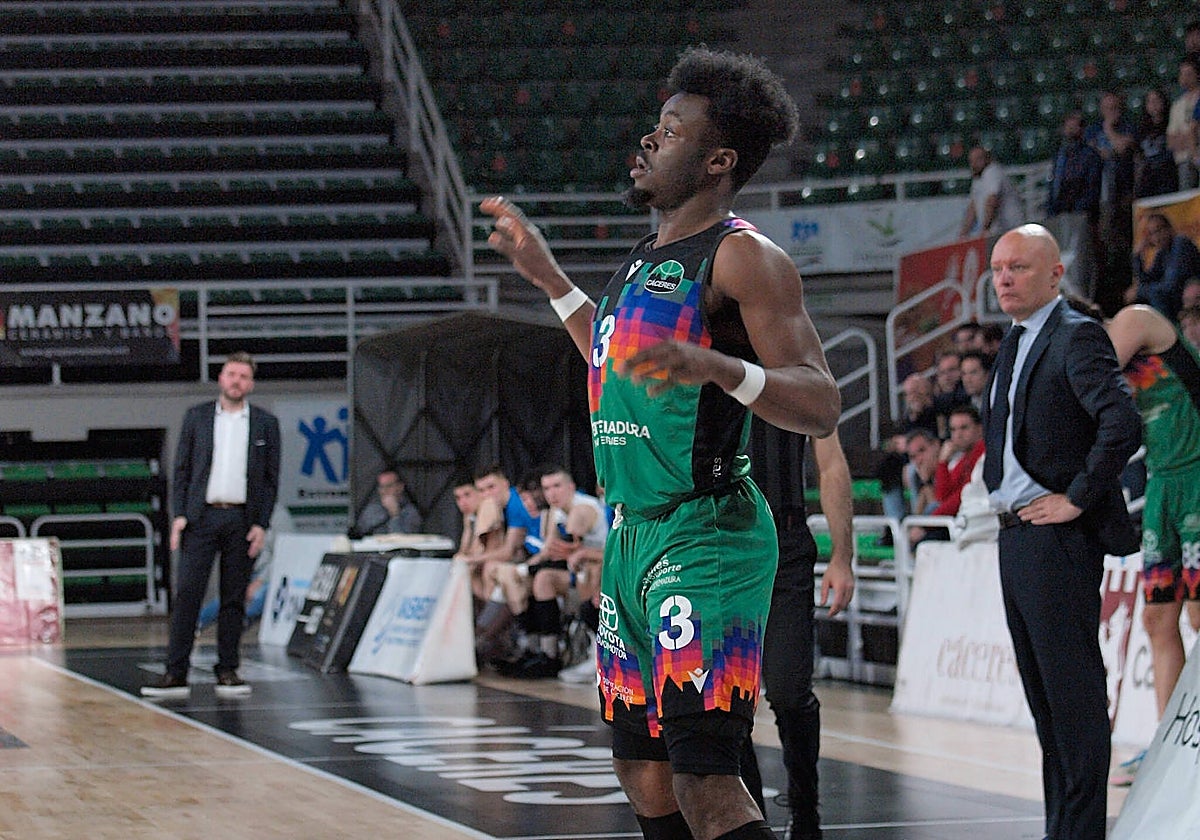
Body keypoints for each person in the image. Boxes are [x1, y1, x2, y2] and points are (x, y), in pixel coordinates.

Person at [481, 46, 840, 840]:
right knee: (643, 775)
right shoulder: (643, 260)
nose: (648, 140)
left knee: (707, 780)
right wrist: (551, 282)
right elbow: (614, 357)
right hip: (631, 535)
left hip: (704, 532)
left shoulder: (745, 256)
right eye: (654, 126)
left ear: (717, 160)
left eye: (670, 132)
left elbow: (821, 402)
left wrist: (720, 366)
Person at [983, 225, 1141, 840]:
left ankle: (1080, 834)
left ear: (1054, 274)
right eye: (997, 268)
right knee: (1045, 704)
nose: (1003, 278)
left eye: (1017, 267)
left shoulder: (1077, 336)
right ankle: (1063, 830)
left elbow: (1121, 424)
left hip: (1056, 540)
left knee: (1071, 699)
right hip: (1016, 536)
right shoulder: (1014, 340)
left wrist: (1077, 497)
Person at [142, 351, 282, 699]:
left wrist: (261, 523)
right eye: (232, 374)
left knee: (234, 598)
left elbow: (270, 480)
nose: (237, 381)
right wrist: (178, 517)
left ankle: (228, 669)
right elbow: (182, 471)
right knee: (188, 594)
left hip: (241, 519)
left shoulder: (265, 423)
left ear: (251, 383)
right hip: (201, 517)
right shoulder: (197, 417)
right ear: (221, 378)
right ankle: (176, 672)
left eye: (244, 376)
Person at [1103, 303, 1200, 785]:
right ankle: (1170, 741)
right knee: (1158, 616)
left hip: (1198, 475)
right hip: (1163, 484)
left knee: (1199, 614)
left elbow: (1095, 378)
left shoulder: (1134, 321)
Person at [743, 431, 855, 840]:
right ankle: (748, 820)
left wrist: (842, 556)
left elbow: (831, 463)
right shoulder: (698, 371)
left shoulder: (797, 369)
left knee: (789, 689)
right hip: (718, 541)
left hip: (784, 540)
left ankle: (805, 807)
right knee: (726, 700)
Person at [502, 466, 610, 678]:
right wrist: (523, 570)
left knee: (582, 569)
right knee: (537, 579)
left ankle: (597, 654)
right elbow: (550, 551)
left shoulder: (582, 508)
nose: (552, 493)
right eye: (547, 488)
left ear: (571, 487)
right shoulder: (557, 511)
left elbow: (566, 548)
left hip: (604, 571)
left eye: (557, 486)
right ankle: (542, 652)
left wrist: (574, 552)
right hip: (579, 570)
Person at [1128, 212, 1200, 322]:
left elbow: (1170, 286)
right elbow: (1146, 280)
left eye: (1159, 230)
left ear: (1169, 229)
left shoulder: (1180, 244)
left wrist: (1139, 291)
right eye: (1151, 234)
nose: (1156, 237)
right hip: (1176, 299)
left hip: (1190, 298)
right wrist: (1137, 257)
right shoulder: (1162, 252)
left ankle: (1173, 334)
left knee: (1156, 294)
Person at [958, 146, 1022, 239]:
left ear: (987, 159)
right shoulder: (977, 178)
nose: (974, 164)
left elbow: (992, 200)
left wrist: (985, 228)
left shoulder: (993, 172)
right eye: (971, 161)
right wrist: (963, 233)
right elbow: (973, 207)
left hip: (1008, 230)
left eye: (978, 159)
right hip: (997, 232)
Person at [1134, 87, 1178, 198]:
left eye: (1156, 100)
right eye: (1150, 101)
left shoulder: (1171, 123)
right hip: (1148, 172)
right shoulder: (1142, 128)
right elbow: (1138, 154)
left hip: (1167, 169)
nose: (1153, 104)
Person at [353, 469, 422, 536]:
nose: (384, 491)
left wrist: (395, 515)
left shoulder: (411, 512)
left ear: (400, 487)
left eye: (389, 486)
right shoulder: (371, 510)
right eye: (381, 487)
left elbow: (403, 541)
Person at [1167, 56, 1200, 191]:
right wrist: (1192, 138)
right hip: (1184, 160)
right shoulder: (1177, 105)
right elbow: (1171, 141)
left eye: (1188, 74)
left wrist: (1185, 137)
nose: (1184, 78)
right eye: (1182, 74)